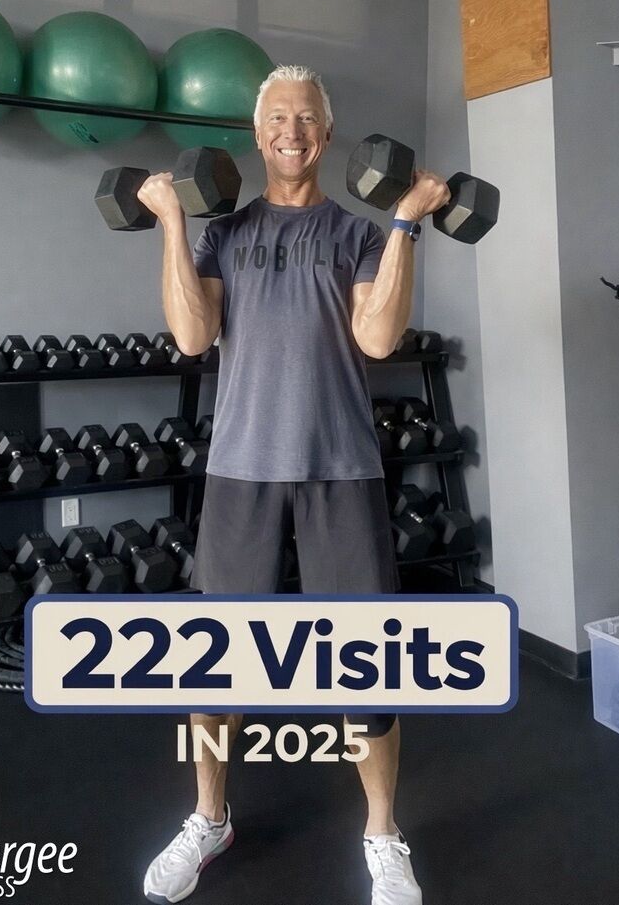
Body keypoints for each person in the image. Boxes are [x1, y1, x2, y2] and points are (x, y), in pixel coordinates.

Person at [138, 65, 450, 905]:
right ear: (257, 132)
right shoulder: (223, 235)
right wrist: (172, 222)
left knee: (366, 662)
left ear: (327, 133)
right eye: (277, 116)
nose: (291, 130)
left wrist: (405, 222)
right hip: (241, 469)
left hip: (341, 468)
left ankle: (382, 832)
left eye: (305, 117)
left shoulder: (356, 234)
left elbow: (378, 338)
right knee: (215, 662)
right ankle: (209, 817)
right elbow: (193, 334)